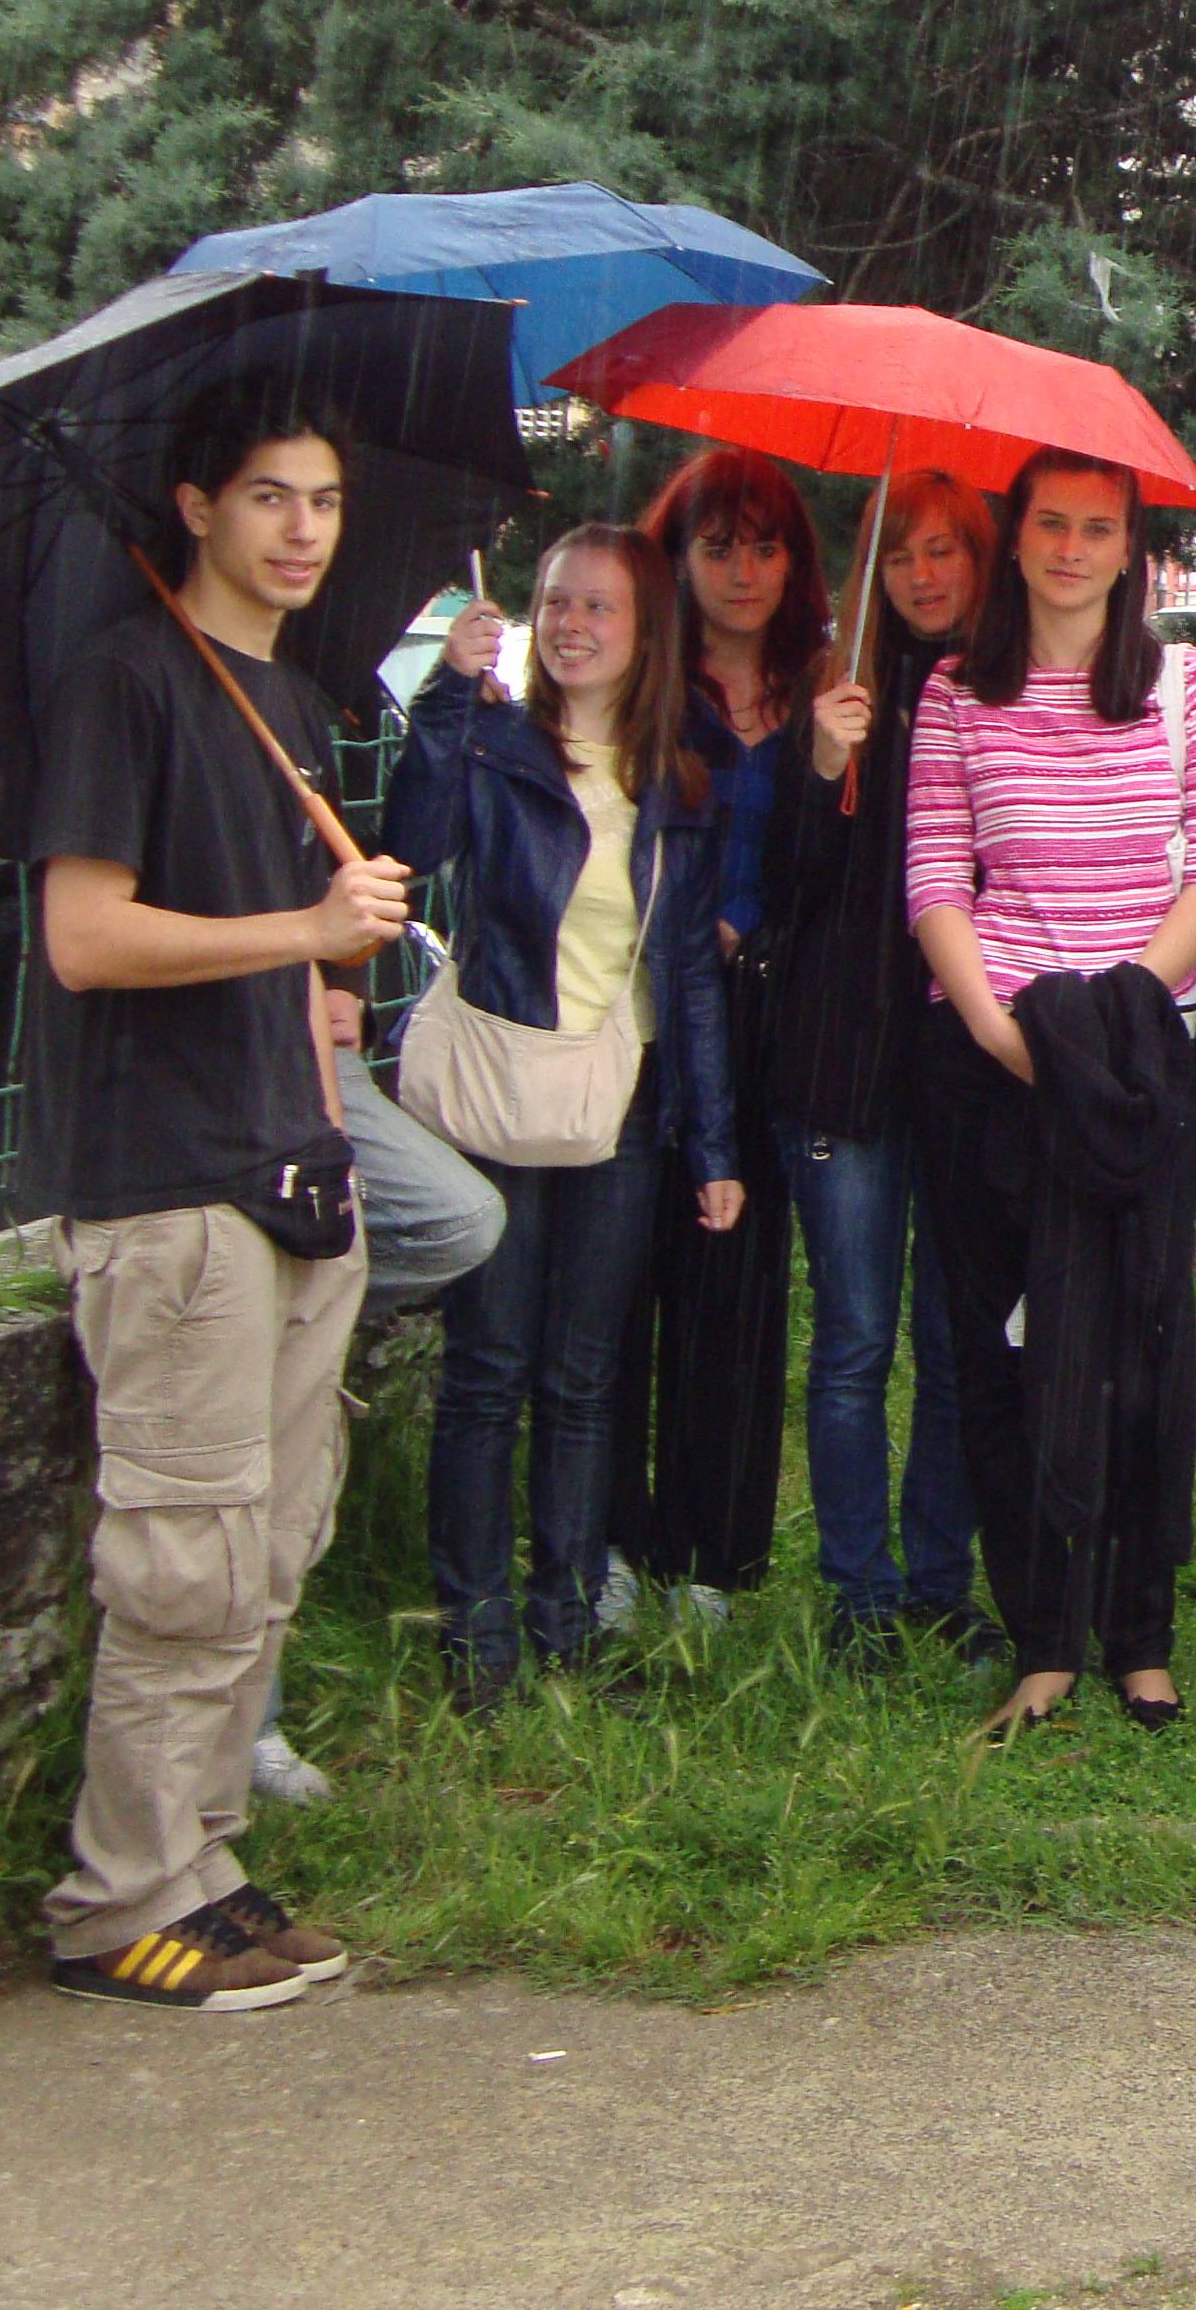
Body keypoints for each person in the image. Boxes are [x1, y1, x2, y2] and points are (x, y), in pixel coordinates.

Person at [25, 376, 406, 2011]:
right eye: (269, 497)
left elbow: (305, 976)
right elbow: (85, 936)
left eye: (324, 499)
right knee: (183, 1563)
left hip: (289, 1173)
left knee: (268, 1552)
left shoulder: (288, 703)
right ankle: (115, 1901)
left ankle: (206, 1864)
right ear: (196, 509)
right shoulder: (123, 684)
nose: (305, 530)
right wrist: (304, 932)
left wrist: (328, 1060)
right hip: (170, 1186)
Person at [905, 449, 1196, 1736]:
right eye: (1050, 523)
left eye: (1098, 529)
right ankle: (1042, 1638)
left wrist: (1120, 1016)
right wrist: (1006, 1034)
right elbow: (936, 877)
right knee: (1004, 1353)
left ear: (1129, 551)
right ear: (1017, 536)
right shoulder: (955, 692)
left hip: (1137, 1058)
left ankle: (1138, 1636)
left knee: (1140, 1346)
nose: (1069, 549)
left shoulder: (1186, 685)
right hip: (991, 1061)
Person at [387, 526, 744, 1709]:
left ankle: (568, 1624)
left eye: (600, 606)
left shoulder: (678, 779)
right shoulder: (492, 742)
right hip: (497, 1087)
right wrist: (447, 698)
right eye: (555, 603)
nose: (573, 625)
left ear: (646, 632)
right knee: (488, 1369)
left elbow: (688, 976)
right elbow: (408, 848)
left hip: (618, 1104)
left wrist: (713, 1143)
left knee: (585, 1379)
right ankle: (475, 1634)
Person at [762, 466, 998, 1657]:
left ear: (979, 560)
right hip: (842, 1061)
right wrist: (820, 765)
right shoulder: (832, 685)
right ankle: (859, 1590)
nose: (922, 574)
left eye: (943, 549)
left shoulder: (1001, 686)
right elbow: (784, 889)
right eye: (900, 553)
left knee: (954, 1339)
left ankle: (940, 1579)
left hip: (959, 1059)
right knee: (854, 1337)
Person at [620, 447, 830, 1617]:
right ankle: (614, 1542)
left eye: (764, 547)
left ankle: (716, 1555)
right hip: (649, 1019)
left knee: (739, 1289)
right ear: (677, 558)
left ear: (794, 562)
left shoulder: (824, 689)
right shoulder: (643, 688)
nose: (742, 572)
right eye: (716, 547)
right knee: (626, 1280)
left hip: (773, 1022)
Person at [255, 982, 508, 1803]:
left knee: (460, 1218)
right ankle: (245, 1731)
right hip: (224, 1076)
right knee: (231, 1482)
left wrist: (341, 991)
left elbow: (326, 941)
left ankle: (243, 1732)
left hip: (314, 1068)